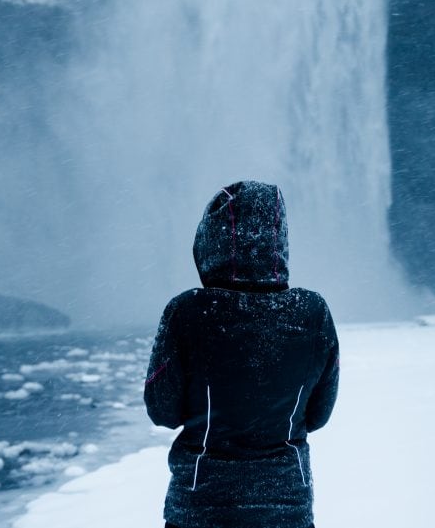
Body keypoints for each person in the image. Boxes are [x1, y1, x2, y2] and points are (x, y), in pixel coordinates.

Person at [144, 180, 340, 528]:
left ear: (211, 240)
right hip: (287, 507)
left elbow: (163, 412)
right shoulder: (313, 312)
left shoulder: (187, 312)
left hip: (200, 506)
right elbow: (318, 415)